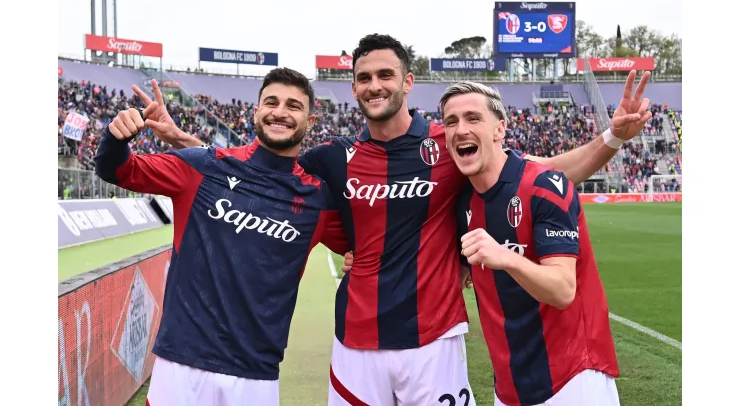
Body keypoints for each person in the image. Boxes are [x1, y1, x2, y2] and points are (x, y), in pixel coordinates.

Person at [143, 34, 650, 406]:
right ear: (354, 88)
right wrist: (185, 142)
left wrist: (614, 139)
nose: (375, 85)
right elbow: (261, 167)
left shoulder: (448, 143)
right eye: (364, 78)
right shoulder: (334, 157)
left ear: (407, 82)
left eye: (386, 75)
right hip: (355, 340)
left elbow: (538, 173)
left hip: (434, 340)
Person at [94, 68, 350, 406]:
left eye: (293, 105)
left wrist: (355, 257)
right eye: (271, 102)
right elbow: (117, 169)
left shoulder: (318, 198)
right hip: (180, 364)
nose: (280, 112)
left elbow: (370, 246)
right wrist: (117, 135)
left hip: (255, 373)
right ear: (256, 111)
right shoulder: (202, 165)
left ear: (311, 120)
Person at [446, 81, 622, 406]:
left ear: (500, 129)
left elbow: (562, 290)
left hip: (572, 378)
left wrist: (506, 257)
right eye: (451, 121)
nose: (461, 129)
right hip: (510, 388)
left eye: (473, 118)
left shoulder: (544, 186)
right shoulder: (461, 202)